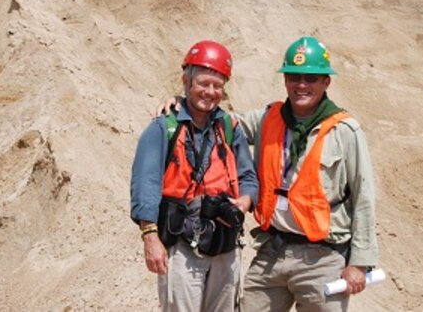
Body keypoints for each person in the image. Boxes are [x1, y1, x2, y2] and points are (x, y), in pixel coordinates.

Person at [158, 36, 378, 312]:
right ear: (285, 80)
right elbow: (218, 119)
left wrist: (359, 263)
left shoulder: (345, 131)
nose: (301, 85)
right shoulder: (267, 118)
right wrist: (184, 101)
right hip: (273, 251)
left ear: (326, 82)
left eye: (311, 79)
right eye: (294, 77)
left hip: (323, 258)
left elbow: (364, 196)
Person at [130, 40, 259, 312]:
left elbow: (249, 177)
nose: (209, 92)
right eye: (203, 83)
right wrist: (150, 237)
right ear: (186, 81)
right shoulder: (164, 126)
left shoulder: (229, 126)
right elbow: (146, 183)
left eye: (217, 86)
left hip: (225, 245)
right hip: (181, 245)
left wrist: (244, 202)